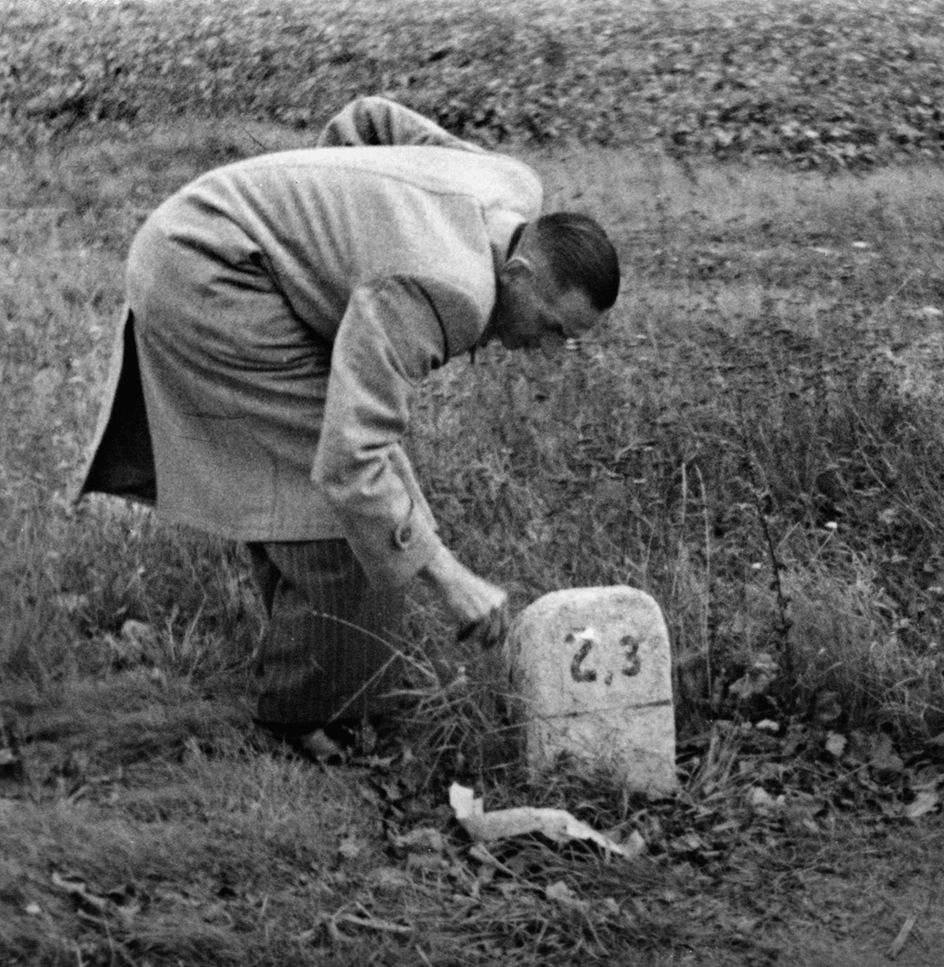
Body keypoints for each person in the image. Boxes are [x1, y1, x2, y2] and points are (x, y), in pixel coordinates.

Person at [76, 96, 620, 759]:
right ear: (520, 272)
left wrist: (330, 228)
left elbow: (368, 120)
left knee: (352, 496)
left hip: (214, 235)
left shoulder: (512, 183)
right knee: (339, 511)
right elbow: (351, 458)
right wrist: (450, 576)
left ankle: (327, 689)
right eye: (552, 327)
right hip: (207, 270)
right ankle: (299, 721)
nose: (549, 351)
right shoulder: (450, 291)